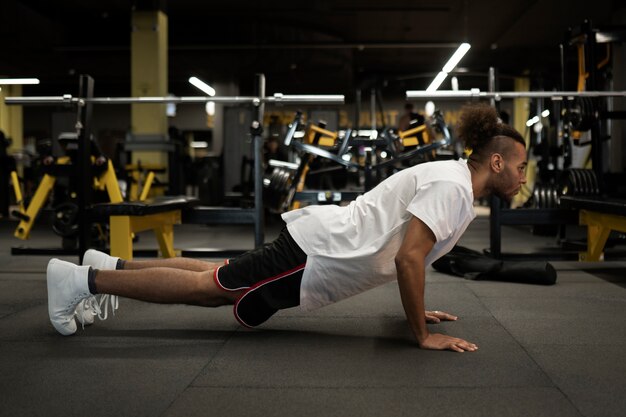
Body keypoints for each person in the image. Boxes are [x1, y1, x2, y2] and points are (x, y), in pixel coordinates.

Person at [46, 103, 527, 352]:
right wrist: (422, 333)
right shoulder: (454, 187)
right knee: (212, 289)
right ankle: (80, 280)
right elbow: (408, 259)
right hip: (318, 252)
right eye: (521, 167)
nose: (524, 177)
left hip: (320, 243)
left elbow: (407, 256)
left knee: (224, 270)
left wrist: (418, 309)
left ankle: (110, 265)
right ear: (498, 161)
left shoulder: (453, 181)